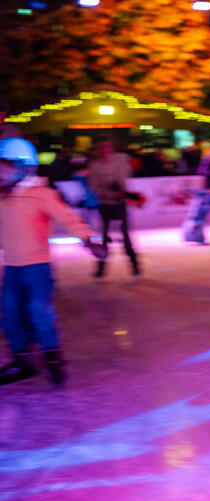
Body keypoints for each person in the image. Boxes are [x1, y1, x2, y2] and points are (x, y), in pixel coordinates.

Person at [0, 138, 106, 386]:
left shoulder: (41, 194)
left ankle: (51, 356)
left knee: (40, 311)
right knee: (9, 312)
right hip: (13, 268)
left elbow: (67, 217)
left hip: (37, 266)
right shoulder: (2, 198)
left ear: (22, 166)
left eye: (4, 167)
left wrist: (88, 239)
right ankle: (22, 360)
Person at [86, 136, 140, 277]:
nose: (105, 150)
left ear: (112, 148)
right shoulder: (95, 165)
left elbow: (123, 183)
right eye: (102, 147)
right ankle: (101, 268)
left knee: (125, 236)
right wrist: (108, 192)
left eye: (107, 147)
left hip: (119, 205)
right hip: (105, 205)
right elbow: (94, 186)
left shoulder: (119, 163)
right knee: (104, 238)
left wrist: (118, 191)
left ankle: (134, 265)